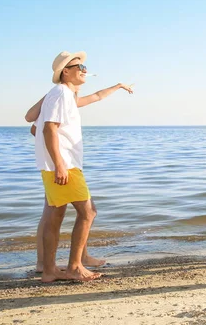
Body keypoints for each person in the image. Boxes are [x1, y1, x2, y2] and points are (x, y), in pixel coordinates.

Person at [33, 51, 131, 282]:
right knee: (88, 212)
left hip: (60, 163)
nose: (84, 70)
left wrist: (117, 86)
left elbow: (96, 97)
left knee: (55, 216)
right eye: (80, 66)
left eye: (86, 67)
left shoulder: (64, 95)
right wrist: (59, 164)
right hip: (64, 164)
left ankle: (49, 271)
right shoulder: (60, 94)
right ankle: (74, 267)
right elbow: (48, 128)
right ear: (65, 72)